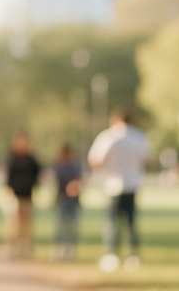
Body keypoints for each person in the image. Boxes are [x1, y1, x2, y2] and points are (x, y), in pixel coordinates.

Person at [87, 108, 151, 272]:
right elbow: (147, 159)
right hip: (132, 184)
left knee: (112, 223)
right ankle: (132, 256)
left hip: (113, 185)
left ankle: (111, 255)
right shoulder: (138, 136)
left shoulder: (108, 136)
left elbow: (94, 160)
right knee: (130, 222)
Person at [4, 131, 40, 260]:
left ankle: (25, 250)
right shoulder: (12, 159)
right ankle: (12, 250)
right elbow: (8, 177)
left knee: (26, 226)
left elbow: (37, 175)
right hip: (14, 195)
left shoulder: (31, 160)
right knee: (14, 225)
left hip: (27, 196)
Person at [51, 144, 82, 263]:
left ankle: (70, 252)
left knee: (72, 229)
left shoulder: (75, 167)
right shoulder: (59, 167)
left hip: (73, 202)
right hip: (62, 201)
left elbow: (78, 182)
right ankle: (59, 251)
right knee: (60, 229)